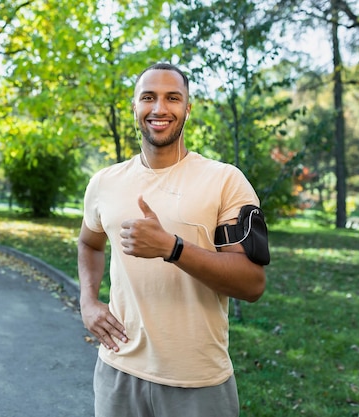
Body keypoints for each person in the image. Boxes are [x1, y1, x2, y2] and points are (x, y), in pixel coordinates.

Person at [77, 62, 268, 417]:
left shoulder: (226, 181)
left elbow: (252, 284)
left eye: (172, 98)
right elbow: (89, 243)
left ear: (188, 108)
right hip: (117, 372)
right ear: (134, 107)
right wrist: (88, 301)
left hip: (197, 382)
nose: (160, 108)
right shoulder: (104, 182)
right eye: (148, 97)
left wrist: (172, 248)